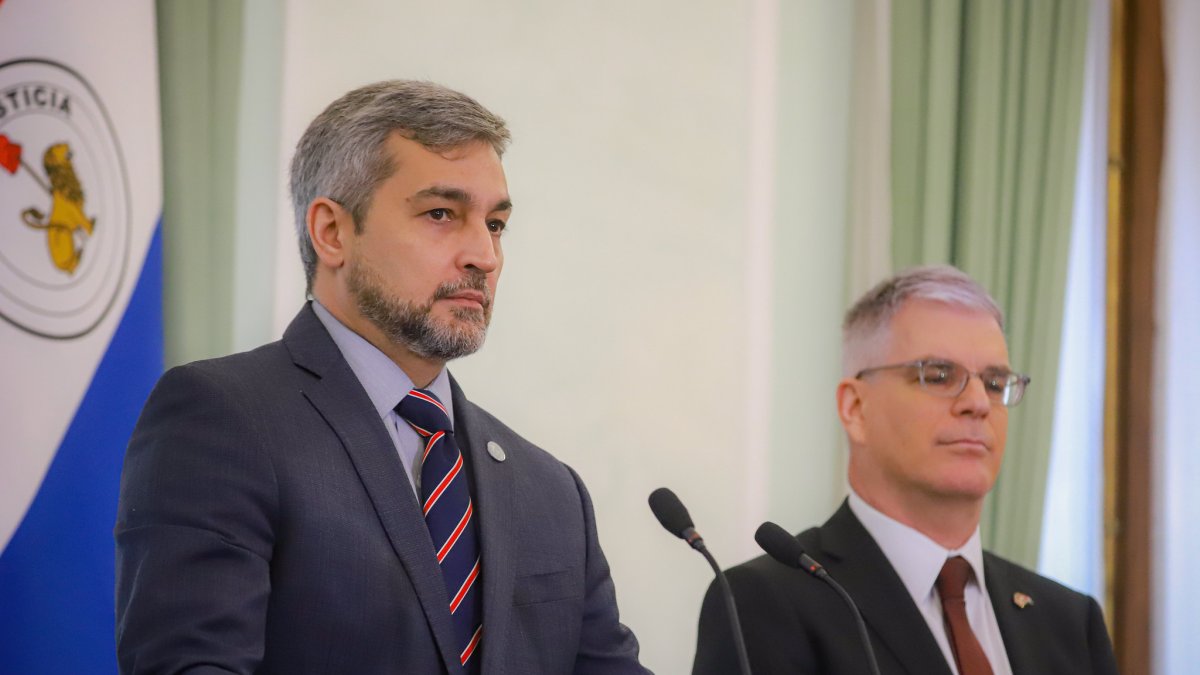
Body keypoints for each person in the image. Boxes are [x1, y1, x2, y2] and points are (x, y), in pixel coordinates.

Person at [115, 80, 648, 675]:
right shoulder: (224, 417)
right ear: (332, 232)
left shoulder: (551, 490)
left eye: (496, 224)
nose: (484, 255)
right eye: (441, 214)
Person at [692, 265, 1117, 675]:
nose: (978, 403)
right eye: (939, 375)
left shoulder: (1069, 622)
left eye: (994, 383)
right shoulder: (766, 603)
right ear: (856, 408)